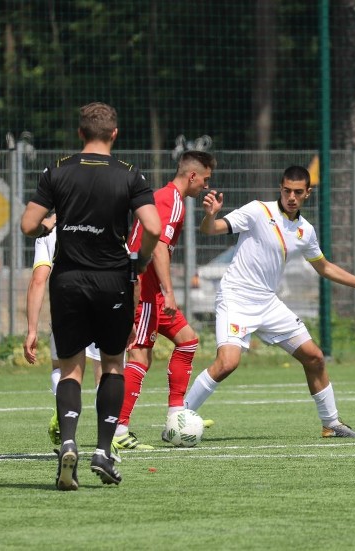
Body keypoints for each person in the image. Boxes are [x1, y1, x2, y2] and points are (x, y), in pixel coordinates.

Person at [182, 165, 355, 438]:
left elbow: (325, 267)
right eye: (286, 190)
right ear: (280, 189)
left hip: (268, 304)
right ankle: (181, 415)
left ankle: (331, 424)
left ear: (307, 194)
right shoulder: (258, 211)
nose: (291, 196)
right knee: (227, 363)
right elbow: (212, 229)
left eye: (297, 192)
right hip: (236, 298)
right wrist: (210, 216)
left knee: (314, 357)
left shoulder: (305, 230)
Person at [20, 102, 160, 491]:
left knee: (70, 369)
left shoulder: (58, 169)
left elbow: (28, 224)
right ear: (115, 134)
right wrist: (142, 259)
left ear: (80, 134)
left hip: (68, 279)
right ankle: (102, 450)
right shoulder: (130, 175)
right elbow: (153, 225)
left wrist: (49, 223)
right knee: (114, 364)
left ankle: (68, 441)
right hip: (113, 279)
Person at [113, 151, 217, 451]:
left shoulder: (170, 199)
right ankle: (120, 430)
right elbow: (158, 246)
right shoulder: (171, 201)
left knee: (188, 340)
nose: (206, 187)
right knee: (140, 356)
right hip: (145, 287)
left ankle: (176, 415)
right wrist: (169, 291)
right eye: (205, 180)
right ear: (192, 176)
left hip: (151, 288)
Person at [23, 215, 104, 446]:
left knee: (63, 368)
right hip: (102, 301)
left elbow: (39, 280)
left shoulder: (47, 230)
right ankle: (109, 438)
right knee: (107, 370)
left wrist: (31, 330)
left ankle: (65, 425)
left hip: (66, 305)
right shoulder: (101, 214)